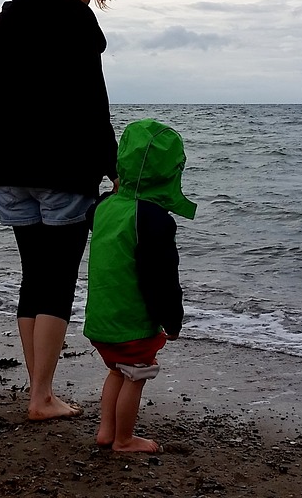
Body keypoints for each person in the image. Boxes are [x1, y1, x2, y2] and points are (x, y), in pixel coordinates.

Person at [0, 0, 128, 420]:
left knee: (33, 278)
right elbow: (91, 104)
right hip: (63, 171)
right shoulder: (77, 24)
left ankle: (37, 392)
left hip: (10, 171)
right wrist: (113, 167)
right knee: (56, 283)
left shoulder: (5, 22)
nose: (91, 0)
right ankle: (41, 397)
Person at [83, 119, 196, 453]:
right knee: (135, 375)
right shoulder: (155, 220)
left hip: (100, 321)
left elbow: (93, 213)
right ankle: (123, 439)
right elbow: (162, 278)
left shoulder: (103, 208)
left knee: (116, 372)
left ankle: (106, 431)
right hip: (131, 325)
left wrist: (121, 190)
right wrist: (172, 320)